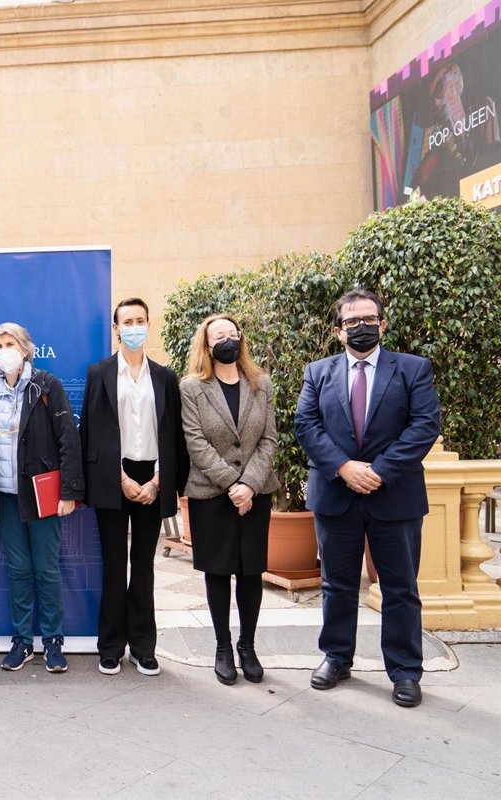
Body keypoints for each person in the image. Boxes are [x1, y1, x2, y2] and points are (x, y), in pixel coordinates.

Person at [295, 288, 440, 708]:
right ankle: (336, 658)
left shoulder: (412, 369)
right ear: (339, 331)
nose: (361, 327)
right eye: (352, 321)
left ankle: (405, 671)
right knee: (336, 585)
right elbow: (306, 424)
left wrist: (378, 471)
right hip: (335, 493)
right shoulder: (317, 372)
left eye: (369, 319)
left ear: (382, 324)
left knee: (400, 588)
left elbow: (424, 425)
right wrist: (343, 467)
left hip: (394, 494)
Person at [80, 298, 188, 677]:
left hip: (153, 474)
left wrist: (159, 480)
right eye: (127, 321)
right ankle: (110, 647)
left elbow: (173, 434)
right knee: (114, 565)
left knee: (143, 565)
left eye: (140, 320)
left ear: (148, 324)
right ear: (116, 328)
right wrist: (119, 478)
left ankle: (143, 648)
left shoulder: (165, 377)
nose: (134, 327)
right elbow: (91, 433)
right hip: (114, 476)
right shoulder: (100, 373)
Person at [0, 322, 84, 672]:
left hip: (42, 495)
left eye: (11, 344)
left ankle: (53, 641)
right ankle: (22, 641)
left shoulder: (47, 385)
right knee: (18, 570)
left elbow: (68, 439)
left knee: (46, 569)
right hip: (4, 496)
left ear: (25, 349)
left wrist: (69, 492)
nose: (5, 350)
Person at [179, 314, 278, 685]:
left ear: (241, 338)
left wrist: (249, 484)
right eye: (218, 337)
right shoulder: (192, 387)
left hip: (256, 493)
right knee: (218, 572)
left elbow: (269, 438)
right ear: (206, 346)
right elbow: (195, 442)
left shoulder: (261, 383)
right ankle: (222, 647)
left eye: (232, 334)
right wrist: (233, 483)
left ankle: (247, 646)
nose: (227, 341)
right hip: (211, 493)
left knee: (251, 572)